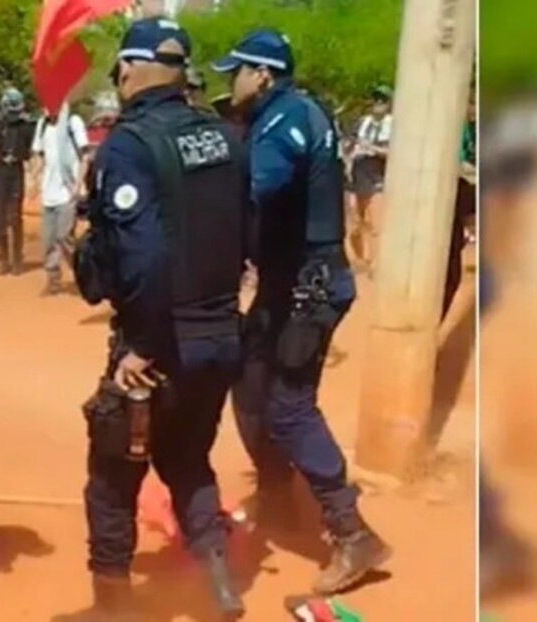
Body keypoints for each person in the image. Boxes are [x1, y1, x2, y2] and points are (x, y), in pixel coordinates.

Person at [68, 19, 249, 620]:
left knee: (113, 473)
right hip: (222, 334)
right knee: (188, 460)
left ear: (130, 68)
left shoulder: (129, 144)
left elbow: (142, 255)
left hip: (161, 343)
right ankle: (220, 588)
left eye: (119, 68)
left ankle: (113, 605)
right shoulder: (224, 136)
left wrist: (141, 344)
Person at [212, 30, 391, 595]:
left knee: (289, 406)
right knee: (247, 380)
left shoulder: (288, 120)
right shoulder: (278, 116)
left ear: (262, 74)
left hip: (308, 288)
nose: (229, 82)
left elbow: (255, 192)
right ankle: (276, 495)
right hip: (284, 284)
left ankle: (351, 531)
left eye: (235, 72)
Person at [32, 102, 90, 295]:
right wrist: (35, 178)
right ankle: (53, 279)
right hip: (49, 193)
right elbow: (40, 154)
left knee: (64, 237)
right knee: (48, 240)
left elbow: (85, 156)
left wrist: (77, 185)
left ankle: (85, 274)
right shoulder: (42, 125)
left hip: (68, 191)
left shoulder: (73, 122)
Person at [0, 88, 35, 275]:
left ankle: (17, 257)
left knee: (15, 215)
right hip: (0, 171)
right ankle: (3, 257)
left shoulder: (25, 126)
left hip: (16, 170)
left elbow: (28, 152)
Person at [348, 85, 392, 270]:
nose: (378, 104)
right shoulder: (362, 122)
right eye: (375, 99)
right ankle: (360, 260)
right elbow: (350, 145)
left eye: (382, 100)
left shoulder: (393, 124)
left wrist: (372, 148)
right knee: (354, 224)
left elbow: (393, 152)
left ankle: (376, 263)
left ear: (389, 104)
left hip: (377, 174)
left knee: (375, 223)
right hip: (357, 173)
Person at [442, 90, 476, 322]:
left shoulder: (471, 130)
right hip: (450, 195)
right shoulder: (453, 129)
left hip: (461, 195)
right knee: (448, 273)